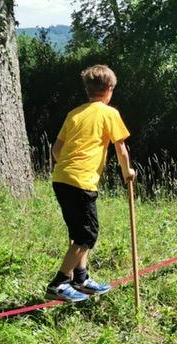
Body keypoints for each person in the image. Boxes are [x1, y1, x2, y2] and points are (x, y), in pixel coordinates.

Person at [46, 64, 136, 302]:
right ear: (109, 90)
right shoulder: (110, 113)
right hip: (81, 181)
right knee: (87, 235)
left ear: (88, 89)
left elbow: (56, 150)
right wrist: (128, 172)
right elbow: (121, 149)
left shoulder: (74, 114)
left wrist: (68, 167)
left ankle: (81, 279)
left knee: (78, 232)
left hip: (61, 178)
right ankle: (59, 282)